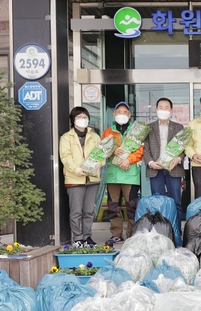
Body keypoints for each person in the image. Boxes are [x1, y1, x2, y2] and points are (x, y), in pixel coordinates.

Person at [59, 106, 101, 247]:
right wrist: (76, 170)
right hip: (75, 179)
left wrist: (99, 164)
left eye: (85, 116)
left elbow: (102, 155)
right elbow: (65, 157)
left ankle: (87, 236)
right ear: (73, 120)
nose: (83, 119)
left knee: (89, 211)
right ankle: (78, 238)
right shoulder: (66, 137)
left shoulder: (95, 136)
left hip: (92, 178)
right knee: (76, 211)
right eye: (79, 117)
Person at [101, 101, 143, 242]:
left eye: (125, 112)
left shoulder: (136, 131)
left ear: (130, 115)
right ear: (114, 114)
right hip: (113, 175)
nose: (122, 115)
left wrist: (128, 160)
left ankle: (132, 235)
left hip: (130, 175)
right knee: (113, 206)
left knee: (132, 206)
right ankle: (116, 235)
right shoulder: (108, 132)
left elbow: (140, 150)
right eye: (119, 112)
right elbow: (102, 150)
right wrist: (113, 151)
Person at [143, 97, 185, 220]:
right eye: (161, 107)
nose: (163, 110)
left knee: (176, 201)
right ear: (156, 109)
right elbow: (145, 149)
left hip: (174, 168)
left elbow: (183, 148)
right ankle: (160, 232)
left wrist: (178, 159)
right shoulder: (148, 128)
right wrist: (150, 163)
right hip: (155, 169)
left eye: (166, 108)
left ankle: (176, 232)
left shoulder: (179, 127)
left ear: (171, 110)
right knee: (157, 202)